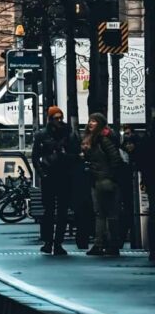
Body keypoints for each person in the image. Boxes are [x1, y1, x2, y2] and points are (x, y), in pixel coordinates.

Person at [32, 105, 79, 255]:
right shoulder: (42, 135)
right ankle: (48, 241)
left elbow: (76, 154)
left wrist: (66, 157)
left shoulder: (68, 133)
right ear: (50, 119)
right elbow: (35, 156)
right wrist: (42, 174)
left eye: (60, 118)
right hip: (49, 176)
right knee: (49, 210)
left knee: (62, 211)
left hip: (64, 175)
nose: (59, 121)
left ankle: (58, 242)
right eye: (55, 118)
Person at [81, 112, 123, 256]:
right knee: (103, 213)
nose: (90, 123)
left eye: (94, 121)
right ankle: (106, 244)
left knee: (106, 213)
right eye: (90, 120)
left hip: (104, 180)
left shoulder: (102, 140)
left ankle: (105, 244)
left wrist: (109, 176)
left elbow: (115, 159)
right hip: (99, 179)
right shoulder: (95, 139)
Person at [124, 124, 155, 263]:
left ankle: (153, 250)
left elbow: (141, 159)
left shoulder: (148, 139)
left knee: (152, 214)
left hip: (151, 179)